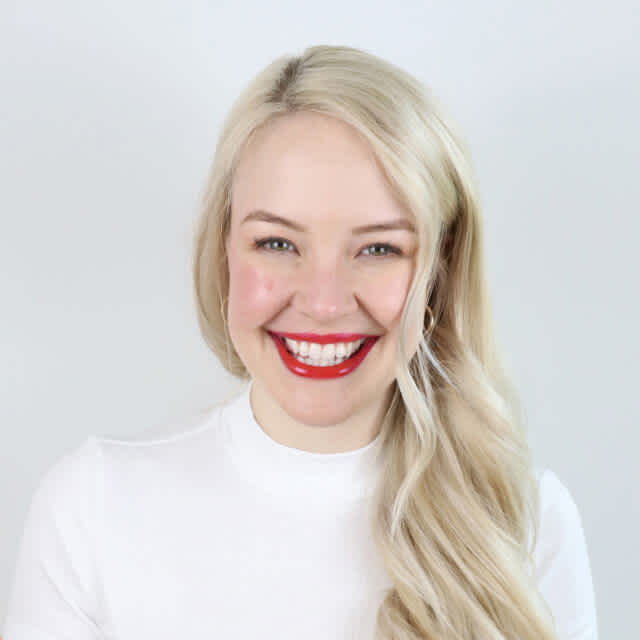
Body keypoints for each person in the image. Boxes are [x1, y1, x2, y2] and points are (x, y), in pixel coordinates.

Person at [3, 45, 598, 640]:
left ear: (439, 272)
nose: (324, 303)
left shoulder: (525, 525)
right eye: (278, 244)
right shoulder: (92, 511)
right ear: (222, 251)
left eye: (379, 249)